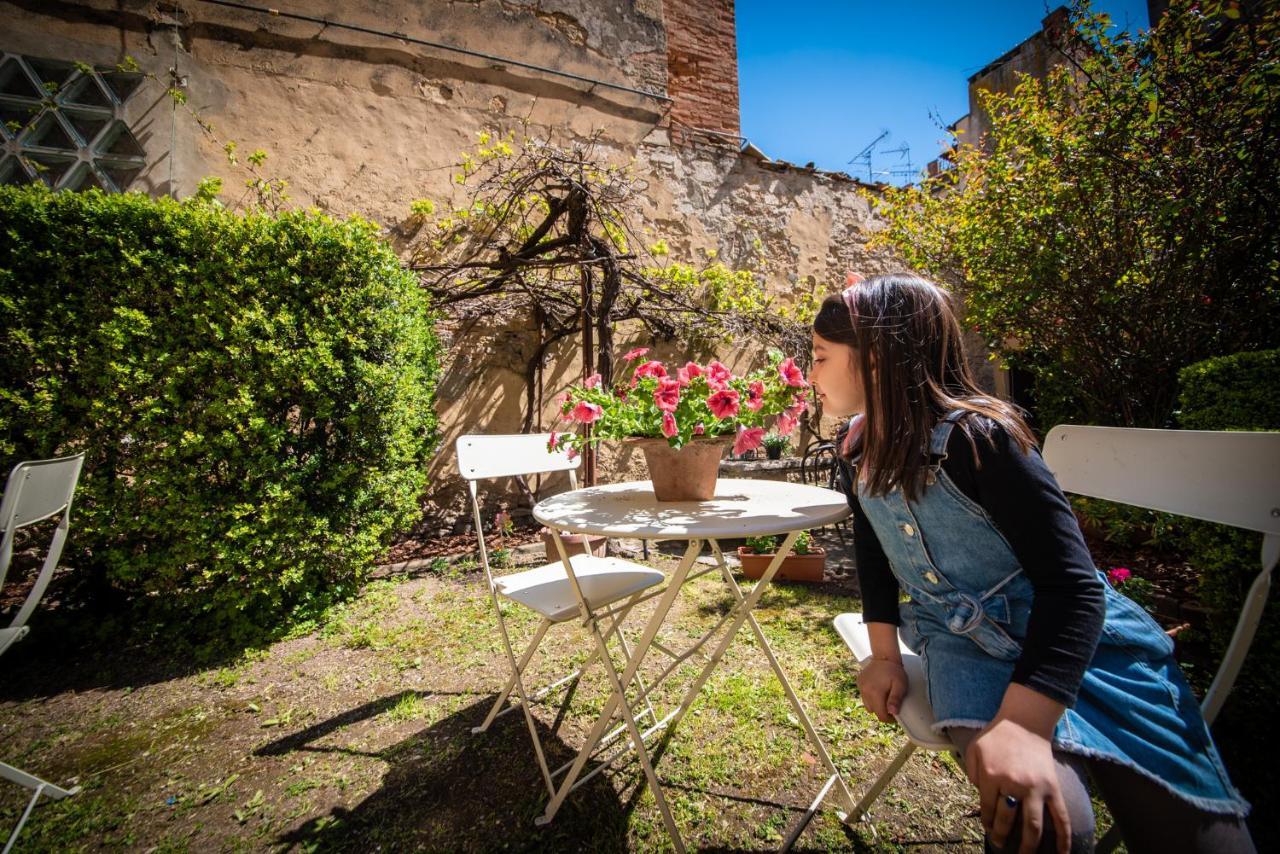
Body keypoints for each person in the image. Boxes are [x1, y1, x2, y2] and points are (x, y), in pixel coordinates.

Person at [810, 273, 1253, 853]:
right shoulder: (860, 450)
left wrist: (1022, 725)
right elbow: (874, 553)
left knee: (1199, 836)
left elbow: (1072, 589)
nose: (809, 374)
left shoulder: (981, 440)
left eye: (819, 357)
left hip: (1080, 643)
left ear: (875, 361)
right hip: (966, 646)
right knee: (1042, 826)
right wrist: (885, 656)